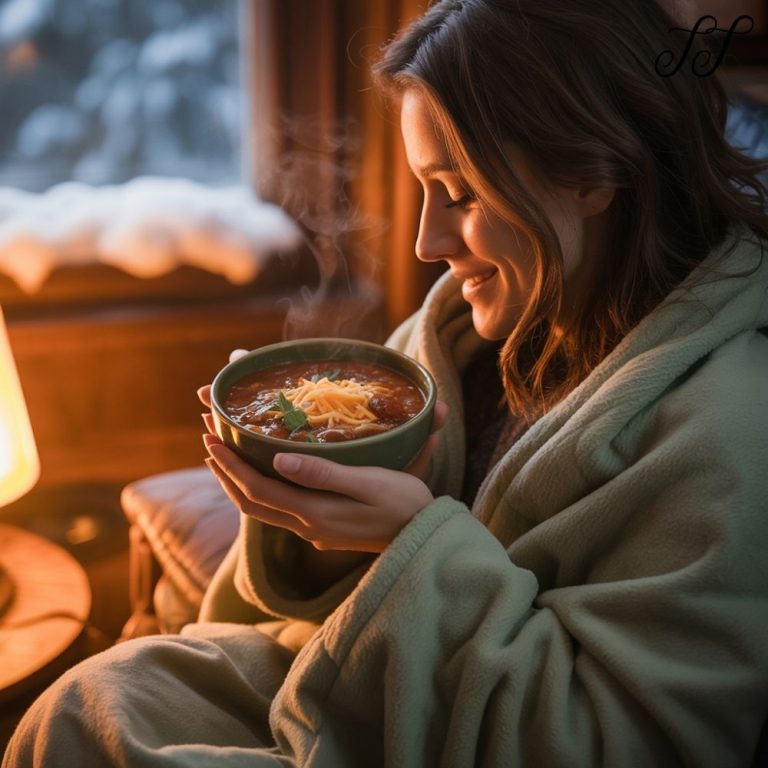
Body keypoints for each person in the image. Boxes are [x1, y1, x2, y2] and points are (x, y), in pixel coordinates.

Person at [5, 0, 768, 765]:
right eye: (423, 189)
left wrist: (409, 541)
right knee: (82, 704)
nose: (427, 241)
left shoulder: (727, 432)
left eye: (460, 193)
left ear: (593, 172)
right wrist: (317, 524)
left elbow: (613, 742)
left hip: (459, 731)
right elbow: (346, 582)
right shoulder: (459, 339)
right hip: (362, 673)